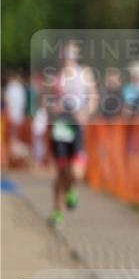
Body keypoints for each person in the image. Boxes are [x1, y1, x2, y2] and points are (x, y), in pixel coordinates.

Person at [43, 40, 98, 227]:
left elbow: (93, 98)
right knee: (60, 171)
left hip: (77, 127)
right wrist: (53, 108)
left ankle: (71, 189)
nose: (68, 57)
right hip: (60, 127)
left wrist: (86, 112)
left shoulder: (85, 74)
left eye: (71, 54)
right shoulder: (54, 77)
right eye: (65, 54)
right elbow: (45, 102)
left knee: (76, 172)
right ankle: (57, 211)